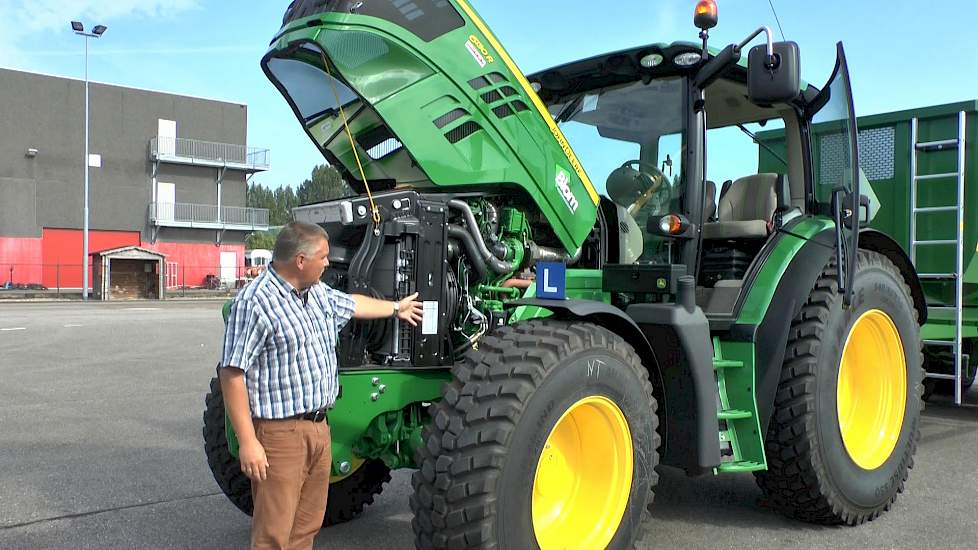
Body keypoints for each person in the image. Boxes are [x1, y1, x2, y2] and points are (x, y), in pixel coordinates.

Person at [220, 221, 423, 550]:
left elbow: (354, 304)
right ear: (301, 260)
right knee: (274, 533)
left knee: (306, 525)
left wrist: (396, 308)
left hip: (318, 429)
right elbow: (232, 373)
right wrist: (248, 442)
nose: (328, 263)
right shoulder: (255, 303)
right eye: (324, 257)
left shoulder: (315, 294)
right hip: (280, 436)